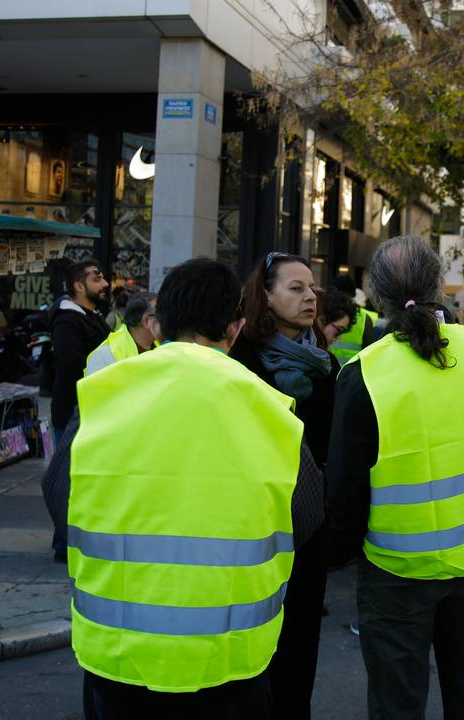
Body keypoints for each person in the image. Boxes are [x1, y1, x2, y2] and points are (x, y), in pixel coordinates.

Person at [70, 257, 304, 718]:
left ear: (159, 324)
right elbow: (308, 515)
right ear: (235, 330)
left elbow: (60, 494)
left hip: (118, 656)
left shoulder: (102, 392)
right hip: (229, 659)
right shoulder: (272, 408)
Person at [325, 236, 464, 720]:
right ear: (440, 286)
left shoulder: (366, 374)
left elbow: (345, 489)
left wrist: (338, 551)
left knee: (396, 704)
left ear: (376, 295)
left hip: (395, 569)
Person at [228, 252, 339, 720]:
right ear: (265, 296)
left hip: (308, 529)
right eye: (295, 288)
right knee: (254, 652)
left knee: (300, 649)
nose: (310, 296)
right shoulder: (241, 361)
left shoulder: (326, 364)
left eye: (312, 288)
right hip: (253, 526)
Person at [49, 260, 111, 561]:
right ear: (78, 285)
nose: (105, 284)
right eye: (97, 278)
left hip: (90, 406)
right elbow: (71, 362)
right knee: (67, 476)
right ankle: (63, 542)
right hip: (73, 409)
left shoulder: (92, 316)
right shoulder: (67, 320)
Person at [83, 291, 159, 376]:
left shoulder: (164, 348)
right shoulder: (105, 356)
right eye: (162, 315)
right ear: (146, 321)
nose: (169, 320)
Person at [331, 274, 380, 365]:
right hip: (350, 376)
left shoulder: (324, 314)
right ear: (353, 294)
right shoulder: (364, 318)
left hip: (328, 374)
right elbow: (369, 354)